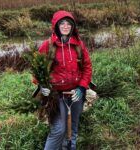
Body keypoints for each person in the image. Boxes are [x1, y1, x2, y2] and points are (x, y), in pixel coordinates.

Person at [37, 10, 92, 149]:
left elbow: (87, 67)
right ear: (56, 25)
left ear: (73, 26)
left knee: (72, 127)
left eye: (69, 23)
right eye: (62, 23)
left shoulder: (79, 44)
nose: (66, 26)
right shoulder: (47, 46)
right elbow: (37, 69)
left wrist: (81, 87)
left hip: (75, 95)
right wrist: (41, 84)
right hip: (56, 96)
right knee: (58, 130)